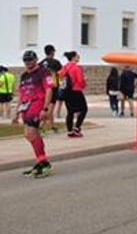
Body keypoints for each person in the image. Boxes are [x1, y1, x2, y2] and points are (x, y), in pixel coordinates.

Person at [12, 50, 54, 178]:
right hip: (26, 107)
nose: (28, 63)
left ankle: (44, 162)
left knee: (31, 133)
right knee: (29, 135)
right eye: (25, 60)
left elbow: (49, 89)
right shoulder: (24, 75)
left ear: (36, 60)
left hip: (37, 104)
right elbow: (21, 94)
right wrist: (16, 112)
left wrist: (45, 109)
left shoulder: (43, 72)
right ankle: (41, 161)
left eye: (30, 60)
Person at [60, 51, 88, 137]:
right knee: (84, 109)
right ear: (73, 57)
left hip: (66, 91)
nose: (78, 57)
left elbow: (60, 78)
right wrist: (84, 83)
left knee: (70, 111)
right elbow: (80, 80)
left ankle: (69, 130)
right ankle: (77, 127)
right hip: (76, 90)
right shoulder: (77, 68)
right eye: (77, 56)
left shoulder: (64, 68)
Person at [40, 44, 63, 131]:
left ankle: (52, 126)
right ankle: (41, 126)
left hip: (43, 87)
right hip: (53, 86)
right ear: (52, 52)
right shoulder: (55, 62)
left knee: (47, 105)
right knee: (51, 107)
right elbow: (60, 73)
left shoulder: (41, 63)